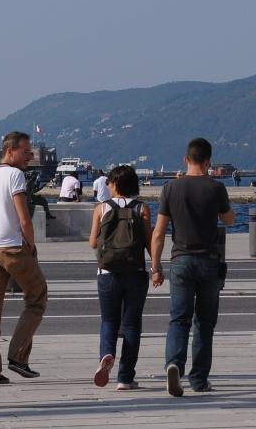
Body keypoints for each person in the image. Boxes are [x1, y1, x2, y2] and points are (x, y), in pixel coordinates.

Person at [150, 137, 235, 396]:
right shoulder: (216, 188)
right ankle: (198, 379)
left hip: (181, 261)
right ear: (208, 161)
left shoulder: (170, 188)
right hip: (209, 261)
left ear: (186, 159)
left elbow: (158, 233)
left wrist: (156, 267)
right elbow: (229, 220)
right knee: (205, 323)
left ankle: (174, 364)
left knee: (179, 319)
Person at [0, 131, 49, 384]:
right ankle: (18, 356)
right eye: (26, 151)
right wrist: (31, 247)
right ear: (10, 151)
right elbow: (24, 218)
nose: (30, 155)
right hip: (13, 247)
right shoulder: (15, 175)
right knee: (37, 297)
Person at [88, 165, 152, 391]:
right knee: (132, 325)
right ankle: (125, 378)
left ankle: (106, 354)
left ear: (114, 184)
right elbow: (149, 242)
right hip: (135, 272)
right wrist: (156, 267)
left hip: (107, 272)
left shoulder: (101, 208)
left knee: (109, 320)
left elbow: (93, 242)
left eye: (109, 182)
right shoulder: (142, 208)